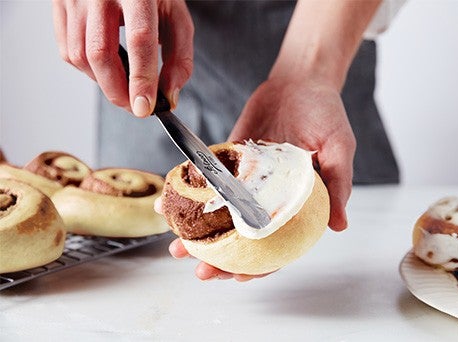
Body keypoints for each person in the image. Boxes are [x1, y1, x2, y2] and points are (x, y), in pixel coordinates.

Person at [52, 0, 403, 281]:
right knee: (132, 274)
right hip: (145, 55)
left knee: (358, 271)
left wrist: (308, 72)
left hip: (323, 40)